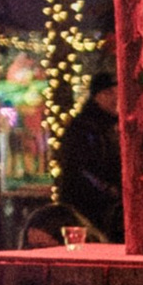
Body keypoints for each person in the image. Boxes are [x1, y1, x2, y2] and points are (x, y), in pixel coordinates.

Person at [59, 70, 126, 239]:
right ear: (96, 96)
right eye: (108, 93)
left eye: (118, 92)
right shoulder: (83, 127)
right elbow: (80, 168)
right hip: (86, 207)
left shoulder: (117, 126)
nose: (115, 98)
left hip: (111, 208)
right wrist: (110, 190)